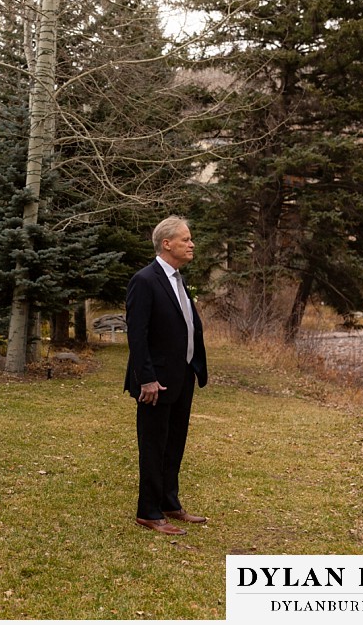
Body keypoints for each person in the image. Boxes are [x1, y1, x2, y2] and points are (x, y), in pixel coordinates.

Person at [124, 216, 208, 535]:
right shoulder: (145, 280)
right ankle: (148, 511)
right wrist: (146, 378)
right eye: (186, 239)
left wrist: (194, 365)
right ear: (167, 244)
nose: (192, 244)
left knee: (175, 442)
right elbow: (138, 334)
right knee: (153, 444)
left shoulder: (177, 279)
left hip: (182, 375)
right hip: (154, 382)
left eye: (191, 239)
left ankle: (169, 503)